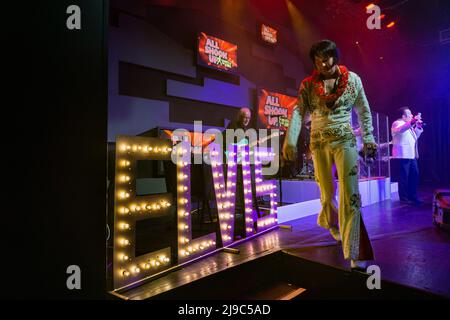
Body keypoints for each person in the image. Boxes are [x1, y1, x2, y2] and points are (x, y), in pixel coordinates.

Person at [282, 40, 377, 270]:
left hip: (345, 141)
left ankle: (356, 250)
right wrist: (290, 139)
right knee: (326, 194)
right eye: (317, 60)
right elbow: (298, 112)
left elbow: (363, 110)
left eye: (326, 58)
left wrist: (369, 138)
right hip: (318, 143)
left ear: (336, 57)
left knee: (350, 194)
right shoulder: (308, 85)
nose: (323, 63)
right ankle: (334, 223)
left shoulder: (353, 80)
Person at [391, 107, 424, 205]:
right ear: (403, 116)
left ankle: (413, 196)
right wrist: (413, 121)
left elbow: (415, 137)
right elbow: (401, 129)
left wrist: (418, 127)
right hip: (403, 155)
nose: (412, 116)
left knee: (415, 175)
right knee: (404, 177)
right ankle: (404, 199)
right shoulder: (397, 123)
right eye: (409, 114)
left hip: (411, 155)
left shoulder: (408, 125)